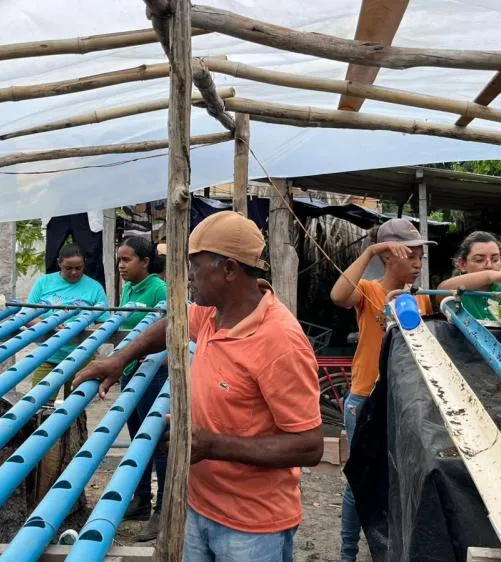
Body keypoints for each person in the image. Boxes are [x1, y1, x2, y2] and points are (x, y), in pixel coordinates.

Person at [75, 211, 323, 561]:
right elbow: (170, 325)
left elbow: (309, 446)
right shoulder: (213, 312)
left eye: (195, 264)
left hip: (251, 527)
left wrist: (214, 445)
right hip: (200, 505)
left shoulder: (280, 342)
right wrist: (119, 360)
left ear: (229, 270)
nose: (188, 276)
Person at [329, 218, 433, 562]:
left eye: (421, 257)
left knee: (394, 478)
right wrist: (372, 248)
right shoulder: (370, 291)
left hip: (403, 402)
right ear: (389, 257)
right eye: (411, 256)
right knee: (359, 481)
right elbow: (338, 296)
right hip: (365, 398)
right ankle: (347, 554)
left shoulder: (421, 301)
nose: (418, 264)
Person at [114, 236, 168, 540]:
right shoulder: (130, 288)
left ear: (145, 262)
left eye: (127, 260)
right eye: (119, 260)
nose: (121, 265)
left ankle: (163, 508)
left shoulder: (159, 289)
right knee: (137, 439)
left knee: (157, 441)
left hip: (153, 375)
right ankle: (141, 501)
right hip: (131, 372)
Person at [27, 243, 108, 397]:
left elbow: (104, 322)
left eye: (79, 267)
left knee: (74, 408)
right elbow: (27, 316)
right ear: (59, 263)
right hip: (48, 354)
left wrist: (82, 329)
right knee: (38, 402)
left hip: (81, 357)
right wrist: (50, 326)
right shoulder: (43, 283)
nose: (74, 272)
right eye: (68, 268)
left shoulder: (95, 287)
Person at [437, 231, 501, 320]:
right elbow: (441, 291)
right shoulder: (456, 288)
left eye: (495, 259)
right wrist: (489, 275)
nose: (489, 265)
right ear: (462, 264)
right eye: (479, 260)